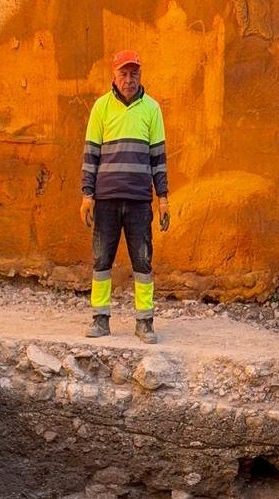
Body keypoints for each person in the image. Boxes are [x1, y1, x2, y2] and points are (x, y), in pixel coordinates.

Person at [80, 49, 170, 344]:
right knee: (101, 260)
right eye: (124, 73)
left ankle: (144, 322)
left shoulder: (152, 109)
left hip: (139, 201)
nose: (129, 79)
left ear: (140, 76)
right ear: (114, 76)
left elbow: (158, 158)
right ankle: (100, 319)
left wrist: (163, 198)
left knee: (142, 263)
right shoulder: (101, 108)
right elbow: (91, 154)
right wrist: (86, 195)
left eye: (134, 74)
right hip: (106, 199)